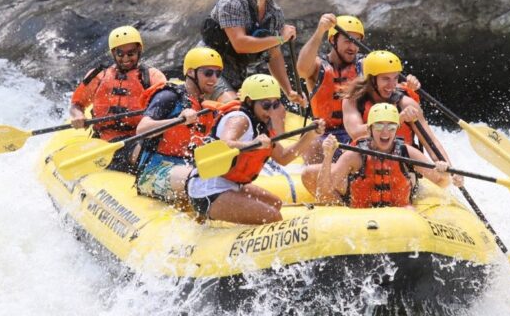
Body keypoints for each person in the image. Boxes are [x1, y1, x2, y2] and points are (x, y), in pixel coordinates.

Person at [187, 74, 325, 225]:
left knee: (275, 204)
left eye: (275, 104)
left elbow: (284, 157)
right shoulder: (240, 119)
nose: (270, 111)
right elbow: (225, 143)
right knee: (271, 217)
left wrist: (310, 135)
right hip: (207, 190)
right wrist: (253, 144)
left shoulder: (261, 125)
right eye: (266, 105)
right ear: (249, 102)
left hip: (231, 184)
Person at [200, 0, 306, 130]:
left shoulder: (275, 13)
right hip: (210, 69)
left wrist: (288, 91)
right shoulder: (232, 1)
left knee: (263, 112)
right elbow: (240, 44)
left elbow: (274, 55)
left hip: (238, 74)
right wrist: (280, 38)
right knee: (235, 110)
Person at [302, 103, 451, 207]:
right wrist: (328, 156)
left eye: (391, 127)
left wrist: (443, 172)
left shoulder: (407, 152)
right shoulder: (353, 156)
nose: (385, 132)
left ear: (397, 129)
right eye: (379, 126)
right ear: (369, 130)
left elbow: (441, 181)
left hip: (402, 215)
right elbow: (324, 194)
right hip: (359, 213)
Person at [70, 25, 166, 172]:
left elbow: (167, 107)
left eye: (131, 53)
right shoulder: (98, 75)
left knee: (147, 148)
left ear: (139, 51)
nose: (126, 58)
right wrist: (78, 115)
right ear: (113, 53)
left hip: (136, 140)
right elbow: (76, 104)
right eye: (120, 53)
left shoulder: (152, 77)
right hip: (102, 142)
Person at [134, 47, 224, 203]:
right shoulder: (169, 96)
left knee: (222, 180)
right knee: (199, 180)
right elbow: (141, 130)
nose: (214, 79)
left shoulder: (207, 106)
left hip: (189, 167)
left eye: (218, 73)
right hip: (154, 172)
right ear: (190, 72)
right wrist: (176, 120)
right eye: (208, 73)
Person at [342, 50, 451, 164]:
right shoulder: (353, 100)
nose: (392, 85)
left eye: (395, 78)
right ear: (371, 79)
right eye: (385, 79)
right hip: (366, 165)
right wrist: (396, 120)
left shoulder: (406, 104)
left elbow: (431, 143)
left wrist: (449, 169)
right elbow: (355, 132)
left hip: (401, 168)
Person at [296, 14, 365, 163]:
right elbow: (301, 69)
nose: (353, 47)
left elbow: (388, 79)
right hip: (323, 133)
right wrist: (320, 31)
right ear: (333, 40)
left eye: (357, 42)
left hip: (355, 133)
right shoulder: (318, 66)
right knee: (313, 145)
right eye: (348, 41)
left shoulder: (364, 65)